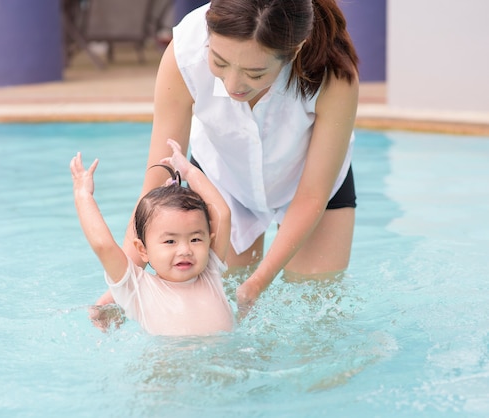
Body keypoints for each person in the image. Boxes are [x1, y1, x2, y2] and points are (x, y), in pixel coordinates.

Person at [97, 0, 359, 317]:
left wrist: (258, 283)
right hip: (223, 179)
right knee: (219, 307)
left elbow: (311, 195)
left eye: (255, 72)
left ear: (293, 51)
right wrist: (124, 284)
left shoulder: (332, 70)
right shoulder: (185, 51)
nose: (233, 85)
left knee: (316, 312)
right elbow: (158, 180)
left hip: (310, 186)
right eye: (219, 62)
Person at [70, 139, 234, 336]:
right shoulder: (138, 288)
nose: (185, 250)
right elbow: (103, 245)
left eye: (195, 239)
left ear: (209, 241)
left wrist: (190, 172)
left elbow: (222, 214)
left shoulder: (210, 271)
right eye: (170, 241)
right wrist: (83, 195)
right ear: (143, 250)